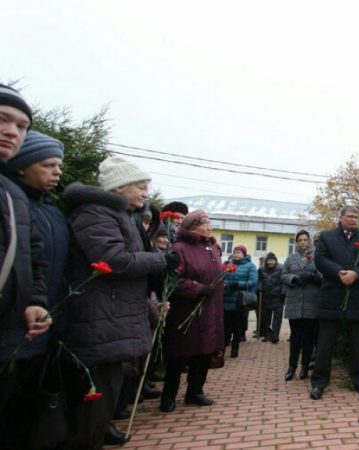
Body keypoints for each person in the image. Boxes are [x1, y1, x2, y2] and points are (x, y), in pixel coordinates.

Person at [61, 156, 179, 448]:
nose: (145, 194)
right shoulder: (94, 214)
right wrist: (160, 260)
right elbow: (113, 260)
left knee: (104, 401)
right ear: (118, 187)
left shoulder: (122, 215)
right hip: (99, 319)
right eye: (140, 187)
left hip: (113, 318)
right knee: (92, 405)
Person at [0, 129, 63, 447]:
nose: (57, 173)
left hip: (42, 327)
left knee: (28, 412)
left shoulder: (52, 211)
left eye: (59, 166)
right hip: (12, 330)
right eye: (48, 165)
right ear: (23, 164)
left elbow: (42, 267)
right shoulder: (13, 202)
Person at [310, 206, 359, 400]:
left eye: (356, 216)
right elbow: (320, 260)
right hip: (332, 296)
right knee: (325, 344)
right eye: (350, 216)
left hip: (357, 296)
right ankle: (319, 383)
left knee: (357, 344)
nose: (354, 219)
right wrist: (339, 272)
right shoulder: (327, 236)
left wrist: (357, 274)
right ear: (340, 218)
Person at [160, 210, 224, 412]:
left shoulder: (212, 248)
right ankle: (168, 396)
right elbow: (173, 281)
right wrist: (198, 288)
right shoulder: (180, 248)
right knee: (179, 355)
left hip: (210, 309)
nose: (209, 226)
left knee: (203, 353)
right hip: (186, 311)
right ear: (192, 227)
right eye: (205, 223)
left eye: (210, 222)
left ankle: (195, 392)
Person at [282, 231, 321, 381]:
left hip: (311, 302)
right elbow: (283, 274)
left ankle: (305, 366)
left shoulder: (317, 257)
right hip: (294, 302)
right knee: (295, 336)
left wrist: (314, 276)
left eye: (305, 240)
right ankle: (292, 367)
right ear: (296, 242)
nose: (303, 242)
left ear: (309, 241)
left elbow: (323, 275)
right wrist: (295, 278)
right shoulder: (291, 258)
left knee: (308, 338)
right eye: (300, 240)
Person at [222, 245, 257, 358]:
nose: (236, 254)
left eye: (238, 252)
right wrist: (225, 283)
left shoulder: (250, 266)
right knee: (225, 327)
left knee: (237, 327)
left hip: (240, 301)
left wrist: (238, 284)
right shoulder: (228, 264)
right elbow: (222, 277)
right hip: (227, 299)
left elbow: (253, 281)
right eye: (234, 252)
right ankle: (222, 350)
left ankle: (235, 349)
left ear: (244, 254)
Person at [258, 252, 285, 343]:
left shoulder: (281, 268)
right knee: (266, 318)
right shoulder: (261, 269)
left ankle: (275, 336)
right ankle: (268, 335)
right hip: (266, 296)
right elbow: (259, 280)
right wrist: (260, 288)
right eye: (268, 261)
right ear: (266, 261)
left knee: (277, 318)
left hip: (278, 296)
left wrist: (283, 293)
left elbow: (283, 282)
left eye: (272, 260)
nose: (270, 262)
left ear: (275, 260)